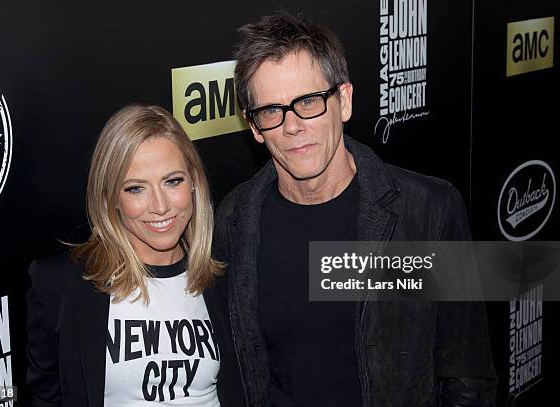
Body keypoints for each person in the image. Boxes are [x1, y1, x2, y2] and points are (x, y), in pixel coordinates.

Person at [214, 12, 497, 407]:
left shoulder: (428, 212)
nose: (292, 125)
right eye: (272, 110)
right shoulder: (231, 223)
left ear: (343, 101)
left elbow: (468, 375)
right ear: (255, 127)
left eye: (309, 101)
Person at [26, 104, 245, 406]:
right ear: (111, 197)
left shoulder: (229, 276)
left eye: (172, 181)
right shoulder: (59, 287)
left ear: (194, 182)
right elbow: (47, 397)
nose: (159, 205)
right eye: (135, 189)